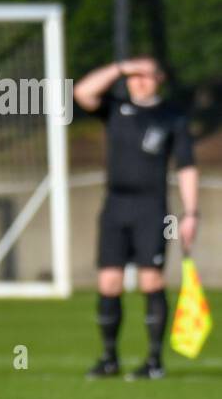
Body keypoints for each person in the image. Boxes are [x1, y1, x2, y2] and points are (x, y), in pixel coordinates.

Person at [73, 57, 198, 379]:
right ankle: (109, 358)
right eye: (133, 77)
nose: (138, 82)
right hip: (114, 205)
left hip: (152, 208)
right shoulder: (115, 108)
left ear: (160, 78)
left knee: (151, 280)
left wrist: (191, 213)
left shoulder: (172, 117)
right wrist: (120, 67)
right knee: (108, 281)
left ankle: (154, 361)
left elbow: (186, 167)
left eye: (146, 76)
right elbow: (82, 92)